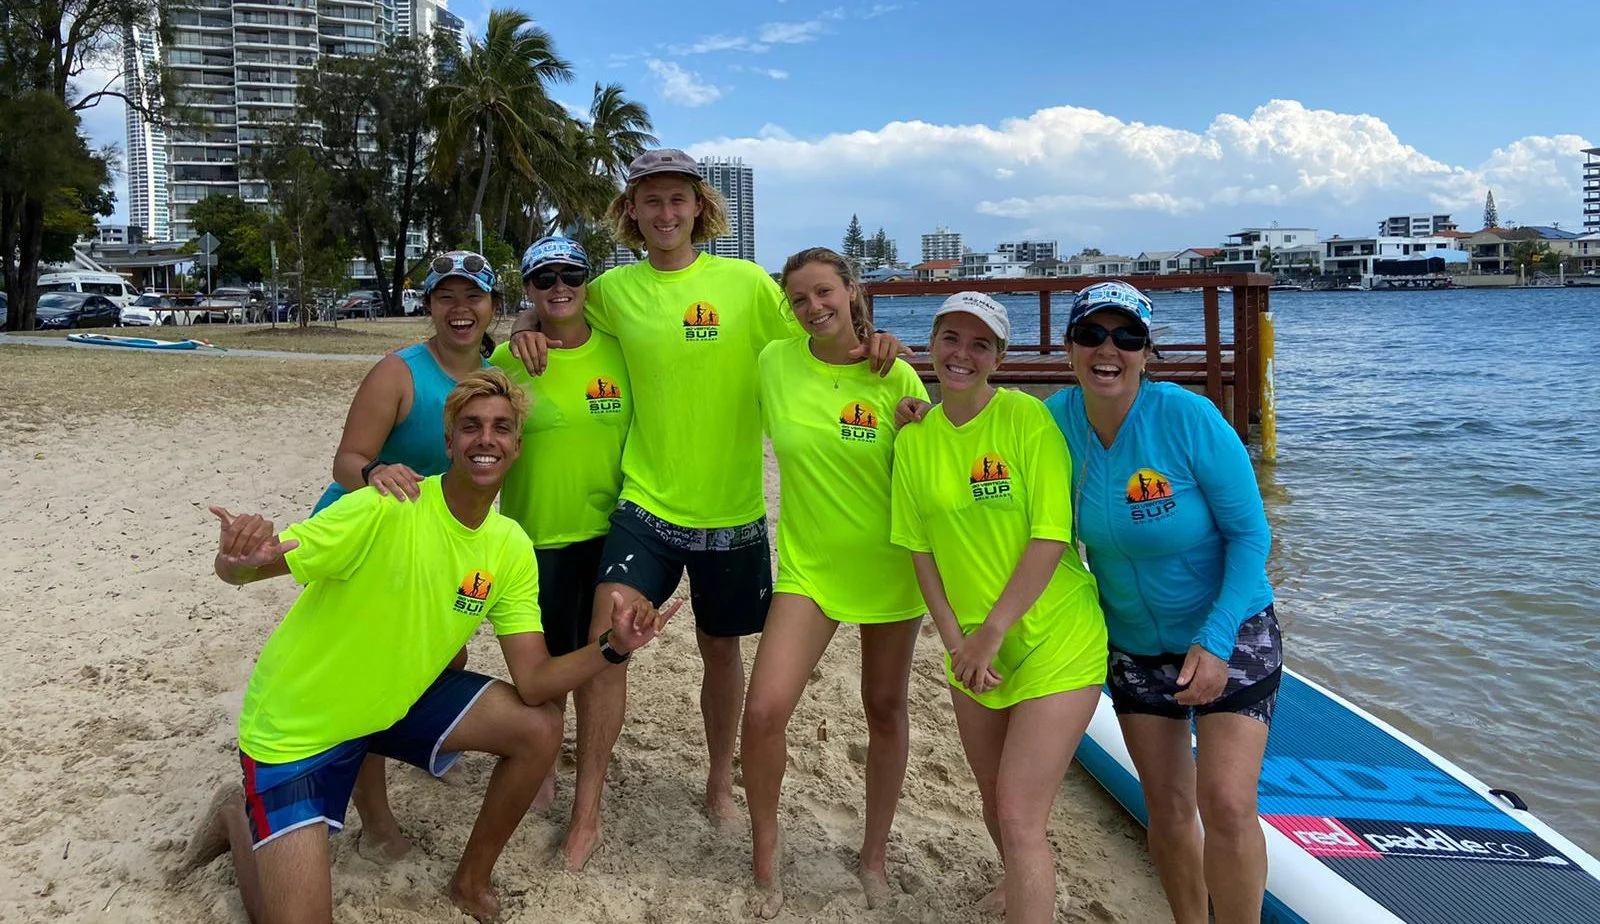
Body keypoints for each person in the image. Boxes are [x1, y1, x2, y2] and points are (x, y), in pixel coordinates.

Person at [506, 150, 909, 871]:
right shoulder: (612, 290)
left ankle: (720, 781)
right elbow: (554, 307)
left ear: (700, 209)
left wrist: (875, 343)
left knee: (720, 650)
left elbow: (819, 341)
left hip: (733, 514)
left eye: (678, 201)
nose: (665, 214)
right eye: (650, 201)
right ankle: (587, 812)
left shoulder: (749, 285)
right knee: (607, 640)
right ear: (631, 211)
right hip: (646, 504)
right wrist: (520, 331)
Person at [176, 368, 678, 924]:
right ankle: (237, 818)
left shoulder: (509, 545)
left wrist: (612, 646)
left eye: (502, 428)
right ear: (449, 442)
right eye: (471, 427)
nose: (486, 439)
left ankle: (470, 880)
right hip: (300, 726)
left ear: (516, 445)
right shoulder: (389, 503)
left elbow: (534, 679)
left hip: (393, 705)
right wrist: (235, 558)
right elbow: (255, 567)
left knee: (537, 726)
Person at [1047, 281, 1278, 924]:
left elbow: (1251, 533)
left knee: (1227, 803)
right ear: (1069, 347)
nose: (1108, 350)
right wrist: (914, 413)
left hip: (1230, 629)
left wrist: (1215, 636)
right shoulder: (1052, 422)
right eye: (1092, 334)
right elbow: (977, 444)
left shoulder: (1188, 416)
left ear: (1147, 352)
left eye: (1127, 337)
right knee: (1169, 807)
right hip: (1135, 646)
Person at [889, 292, 1107, 924]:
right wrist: (957, 639)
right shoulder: (914, 439)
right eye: (951, 338)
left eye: (980, 343)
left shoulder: (1024, 419)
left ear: (999, 357)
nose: (963, 354)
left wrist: (993, 632)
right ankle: (1020, 888)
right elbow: (919, 549)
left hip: (1055, 635)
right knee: (993, 799)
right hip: (973, 646)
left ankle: (1026, 891)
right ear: (932, 345)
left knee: (1018, 811)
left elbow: (1049, 535)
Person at [740, 248, 928, 916]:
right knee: (763, 711)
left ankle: (873, 855)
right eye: (799, 300)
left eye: (825, 293)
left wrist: (919, 428)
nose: (814, 308)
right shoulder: (774, 362)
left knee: (885, 708)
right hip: (809, 568)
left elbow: (929, 475)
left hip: (890, 566)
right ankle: (766, 850)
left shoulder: (896, 371)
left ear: (852, 291)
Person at [309, 250, 497, 859]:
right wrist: (375, 470)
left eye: (472, 296)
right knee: (373, 674)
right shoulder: (399, 371)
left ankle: (414, 738)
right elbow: (344, 460)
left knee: (447, 649)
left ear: (493, 304)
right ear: (430, 305)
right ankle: (378, 825)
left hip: (432, 538)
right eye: (446, 296)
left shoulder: (500, 371)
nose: (459, 309)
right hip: (369, 531)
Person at [487, 236, 630, 811]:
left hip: (609, 535)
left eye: (571, 274)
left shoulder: (622, 352)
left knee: (598, 661)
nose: (559, 287)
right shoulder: (506, 363)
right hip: (532, 536)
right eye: (543, 279)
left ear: (587, 281)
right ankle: (543, 765)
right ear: (528, 290)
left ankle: (588, 788)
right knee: (541, 667)